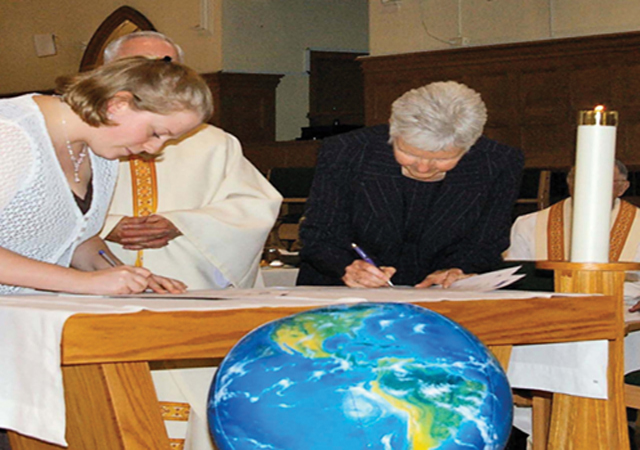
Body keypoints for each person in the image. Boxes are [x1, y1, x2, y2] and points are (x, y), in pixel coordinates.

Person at [0, 56, 212, 295]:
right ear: (118, 104)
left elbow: (75, 239)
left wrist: (130, 278)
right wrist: (82, 282)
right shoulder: (10, 133)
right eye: (156, 133)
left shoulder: (101, 151)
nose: (154, 148)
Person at [297, 81, 524, 288]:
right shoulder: (347, 152)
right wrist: (346, 266)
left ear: (469, 146)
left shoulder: (498, 162)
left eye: (441, 159)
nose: (423, 168)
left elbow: (487, 240)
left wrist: (455, 270)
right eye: (409, 153)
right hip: (341, 294)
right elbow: (319, 233)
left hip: (441, 297)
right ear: (393, 132)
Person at [101, 32, 282, 289]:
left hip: (190, 286)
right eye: (140, 66)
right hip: (92, 284)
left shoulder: (213, 142)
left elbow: (254, 207)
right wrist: (106, 226)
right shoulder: (80, 136)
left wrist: (181, 223)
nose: (156, 78)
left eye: (167, 67)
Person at [505, 160, 640, 264]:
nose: (590, 187)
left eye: (602, 181)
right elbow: (519, 279)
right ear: (569, 184)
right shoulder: (529, 225)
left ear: (623, 188)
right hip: (552, 299)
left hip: (626, 299)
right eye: (581, 180)